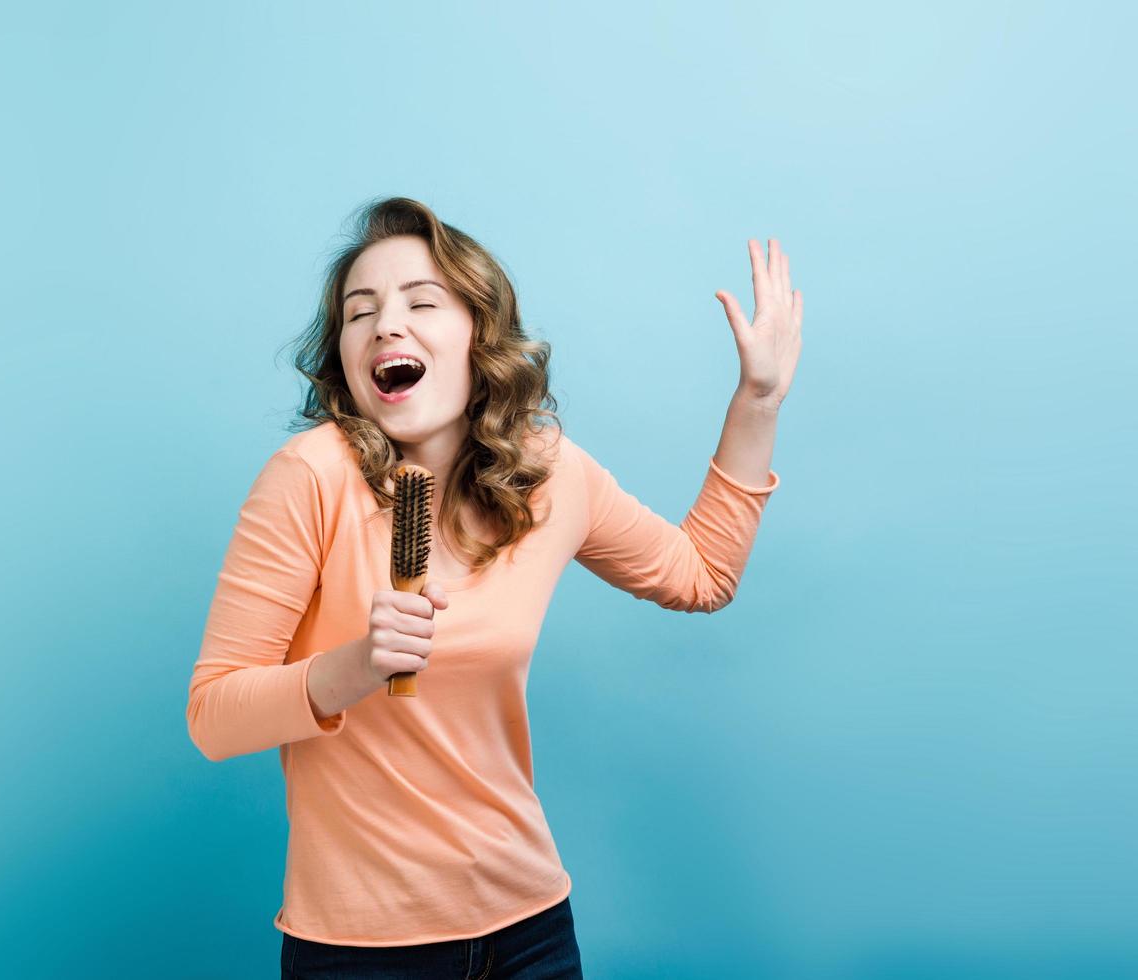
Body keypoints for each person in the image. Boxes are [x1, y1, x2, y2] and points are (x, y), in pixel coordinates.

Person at [186, 197, 801, 978]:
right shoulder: (310, 476)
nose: (385, 326)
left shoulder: (547, 474)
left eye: (421, 302)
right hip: (361, 951)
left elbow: (702, 576)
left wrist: (757, 402)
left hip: (530, 929)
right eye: (359, 312)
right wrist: (353, 668)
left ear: (479, 334)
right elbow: (212, 717)